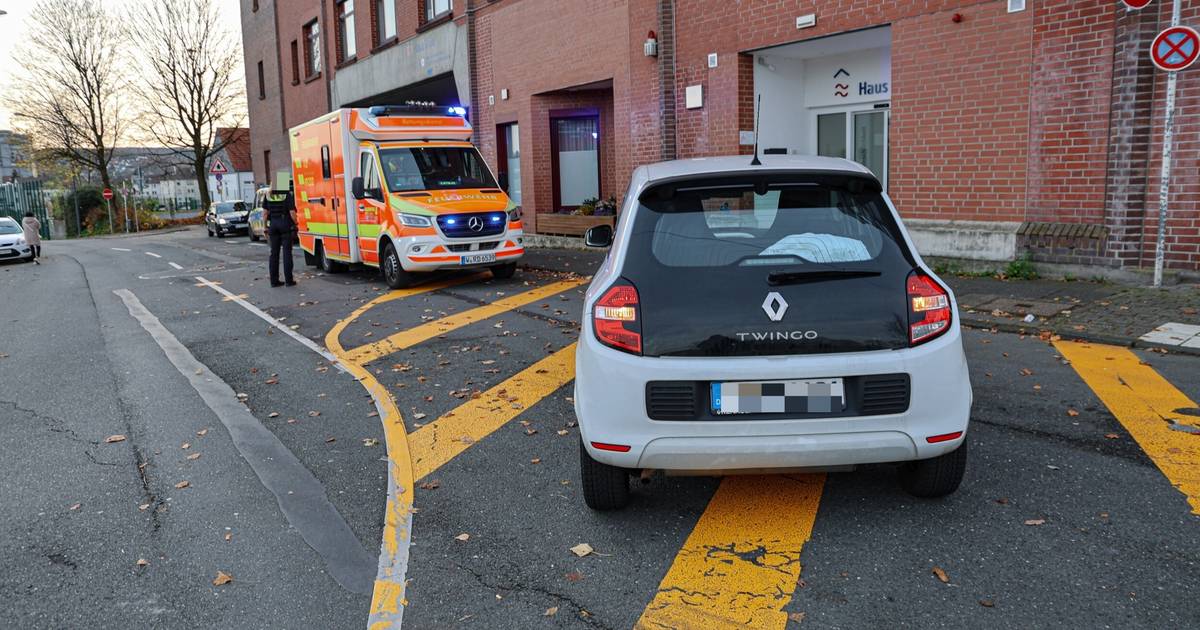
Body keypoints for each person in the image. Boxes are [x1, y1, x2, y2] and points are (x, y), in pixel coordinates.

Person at [265, 189, 297, 287]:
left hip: (273, 225)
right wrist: (295, 223)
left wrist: (265, 227)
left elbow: (265, 213)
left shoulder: (268, 195)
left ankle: (274, 281)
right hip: (285, 224)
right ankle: (288, 280)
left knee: (274, 254)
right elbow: (292, 212)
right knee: (287, 253)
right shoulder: (287, 195)